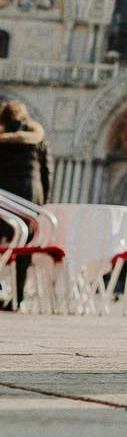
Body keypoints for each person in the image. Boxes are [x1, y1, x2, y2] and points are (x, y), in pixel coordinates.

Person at [0, 100, 53, 308]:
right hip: (30, 196)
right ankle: (18, 297)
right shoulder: (37, 139)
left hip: (3, 198)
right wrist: (44, 202)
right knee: (25, 244)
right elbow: (47, 172)